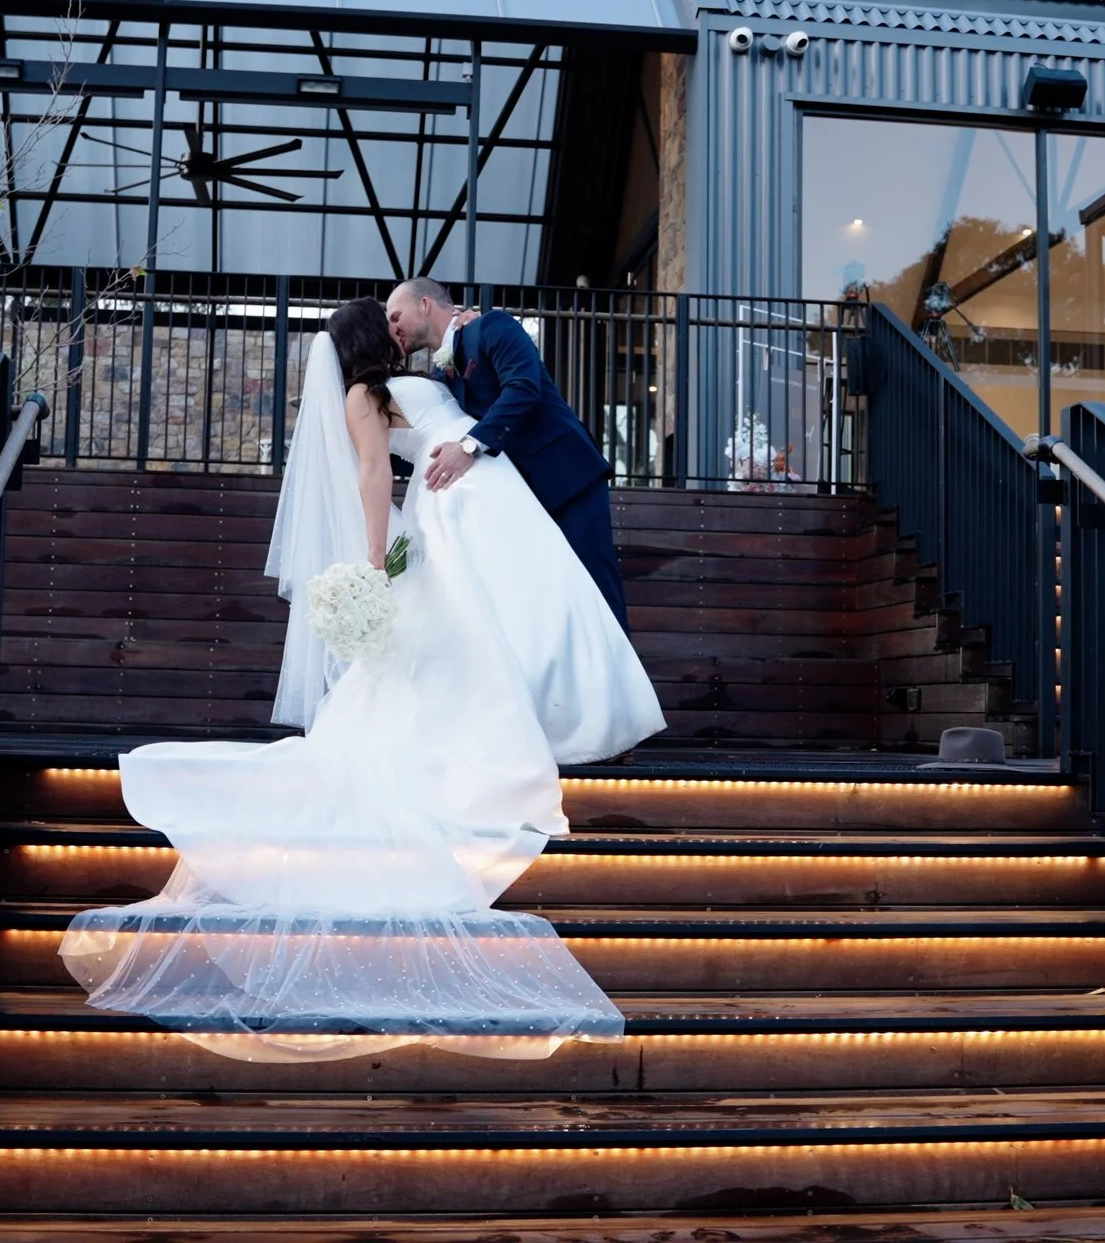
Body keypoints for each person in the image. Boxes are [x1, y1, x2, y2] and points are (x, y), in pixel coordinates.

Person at [59, 297, 664, 1064]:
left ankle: (567, 715)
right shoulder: (360, 396)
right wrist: (376, 563)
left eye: (398, 316)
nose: (394, 327)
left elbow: (470, 409)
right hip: (457, 500)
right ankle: (525, 734)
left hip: (477, 491)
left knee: (532, 613)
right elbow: (376, 472)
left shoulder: (414, 372)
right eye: (383, 323)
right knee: (488, 627)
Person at [385, 277, 629, 629]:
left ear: (424, 305)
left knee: (596, 590)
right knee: (555, 604)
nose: (394, 328)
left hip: (566, 479)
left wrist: (468, 446)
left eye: (396, 316)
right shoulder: (441, 371)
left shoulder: (492, 326)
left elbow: (523, 388)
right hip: (519, 498)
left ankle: (623, 684)